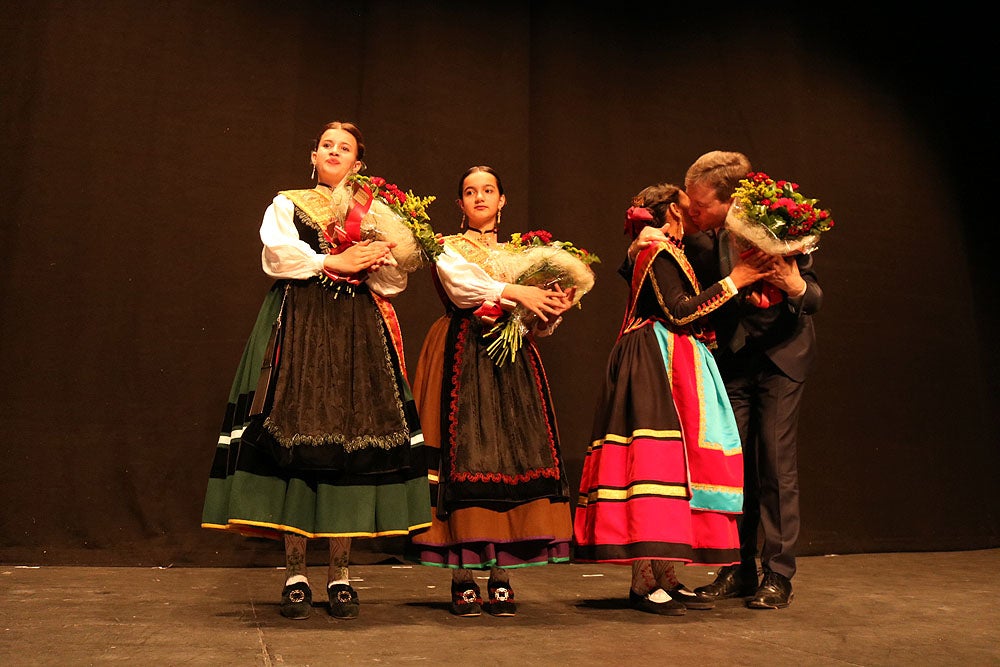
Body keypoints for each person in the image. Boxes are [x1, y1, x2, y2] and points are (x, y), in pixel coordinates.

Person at [201, 121, 432, 621]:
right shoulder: (288, 202)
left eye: (344, 147)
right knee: (295, 441)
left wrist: (379, 257)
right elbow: (279, 257)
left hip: (356, 333)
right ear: (313, 154)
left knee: (347, 440)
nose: (334, 151)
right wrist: (338, 258)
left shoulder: (375, 213)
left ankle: (342, 573)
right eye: (327, 144)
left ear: (357, 163)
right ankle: (296, 572)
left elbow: (392, 284)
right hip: (301, 324)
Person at [632, 151, 823, 609]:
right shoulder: (697, 241)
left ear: (729, 200)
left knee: (775, 466)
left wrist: (793, 284)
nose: (690, 212)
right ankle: (737, 568)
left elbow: (812, 293)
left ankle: (778, 574)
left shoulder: (776, 223)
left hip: (780, 358)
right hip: (729, 362)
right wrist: (640, 240)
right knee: (731, 469)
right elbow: (657, 282)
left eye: (698, 205)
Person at [574, 183, 772, 615]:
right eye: (688, 205)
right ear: (674, 213)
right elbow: (680, 311)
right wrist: (734, 282)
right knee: (654, 466)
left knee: (680, 470)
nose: (695, 213)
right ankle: (643, 581)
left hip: (679, 361)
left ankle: (666, 575)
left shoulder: (668, 250)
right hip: (654, 361)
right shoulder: (657, 252)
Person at [407, 165, 577, 617]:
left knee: (509, 454)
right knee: (464, 455)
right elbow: (464, 290)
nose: (479, 197)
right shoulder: (447, 247)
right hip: (460, 352)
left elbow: (535, 319)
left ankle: (502, 574)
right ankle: (462, 575)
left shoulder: (525, 253)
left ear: (502, 200)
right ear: (460, 204)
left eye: (488, 191)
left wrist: (552, 306)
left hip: (512, 358)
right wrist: (519, 291)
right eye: (469, 192)